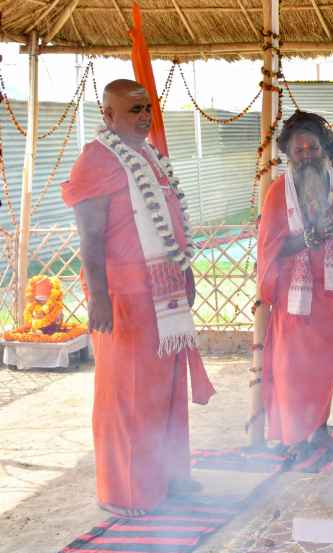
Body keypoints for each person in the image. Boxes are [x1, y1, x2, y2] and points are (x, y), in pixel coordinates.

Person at [62, 79, 215, 517]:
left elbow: (170, 224)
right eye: (133, 110)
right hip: (124, 297)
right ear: (108, 115)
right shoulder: (95, 160)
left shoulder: (148, 155)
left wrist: (183, 275)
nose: (144, 117)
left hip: (163, 293)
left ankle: (167, 478)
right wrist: (100, 297)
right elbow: (90, 238)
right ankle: (125, 491)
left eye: (147, 108)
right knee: (127, 394)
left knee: (164, 391)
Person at [257, 110, 333, 454]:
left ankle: (318, 429)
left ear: (326, 149)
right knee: (293, 367)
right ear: (288, 155)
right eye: (298, 150)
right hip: (294, 293)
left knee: (327, 365)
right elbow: (270, 244)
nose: (306, 155)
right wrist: (307, 238)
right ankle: (293, 436)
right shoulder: (279, 190)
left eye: (313, 148)